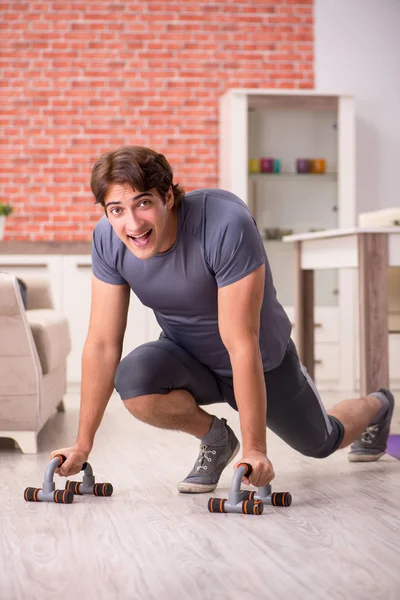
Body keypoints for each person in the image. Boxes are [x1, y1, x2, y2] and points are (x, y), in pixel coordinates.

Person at [51, 146, 395, 492]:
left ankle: (379, 405)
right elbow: (101, 344)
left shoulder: (225, 225)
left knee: (322, 442)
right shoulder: (108, 239)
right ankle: (216, 440)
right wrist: (82, 445)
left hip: (261, 363)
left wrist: (256, 450)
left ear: (168, 197)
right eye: (117, 210)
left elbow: (242, 341)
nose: (133, 223)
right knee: (135, 380)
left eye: (143, 203)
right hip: (188, 356)